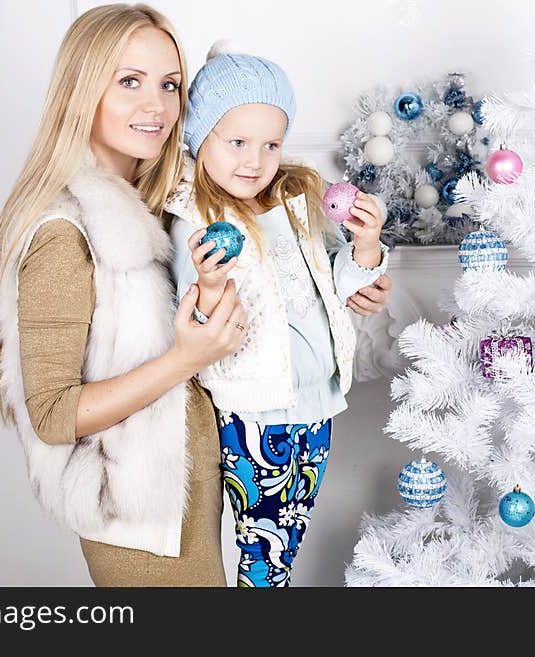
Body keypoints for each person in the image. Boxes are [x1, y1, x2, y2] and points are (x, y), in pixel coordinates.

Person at [0, 4, 248, 586]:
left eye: (170, 85)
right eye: (130, 82)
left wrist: (356, 275)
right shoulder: (63, 229)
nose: (157, 106)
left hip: (192, 499)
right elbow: (52, 416)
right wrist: (185, 360)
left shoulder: (154, 206)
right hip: (140, 523)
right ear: (82, 90)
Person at [167, 46, 392, 586]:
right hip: (255, 409)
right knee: (262, 551)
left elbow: (335, 285)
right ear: (200, 138)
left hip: (318, 400)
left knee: (286, 542)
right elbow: (193, 325)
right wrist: (212, 283)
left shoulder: (295, 202)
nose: (255, 159)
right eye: (237, 142)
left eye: (271, 143)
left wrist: (366, 245)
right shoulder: (193, 221)